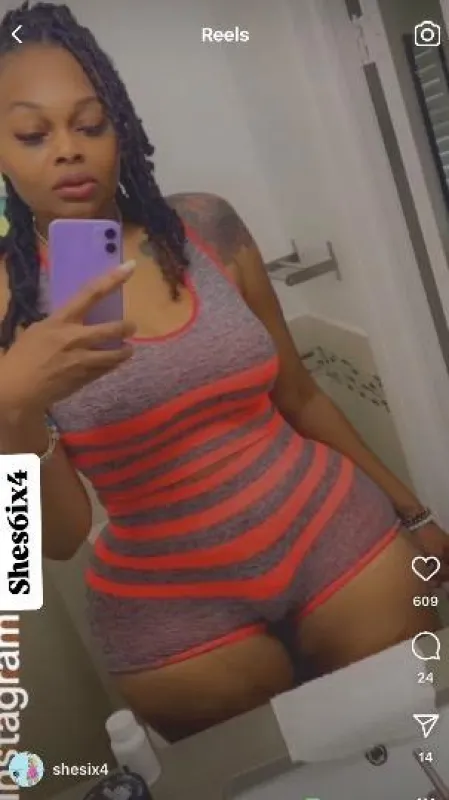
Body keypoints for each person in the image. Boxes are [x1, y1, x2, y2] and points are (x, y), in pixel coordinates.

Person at [0, 1, 447, 743]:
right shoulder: (7, 301)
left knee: (408, 748)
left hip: (336, 537)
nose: (68, 151)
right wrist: (10, 408)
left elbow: (299, 393)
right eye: (32, 134)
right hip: (172, 614)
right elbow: (53, 542)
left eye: (90, 124)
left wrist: (414, 513)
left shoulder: (205, 226)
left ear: (120, 129)